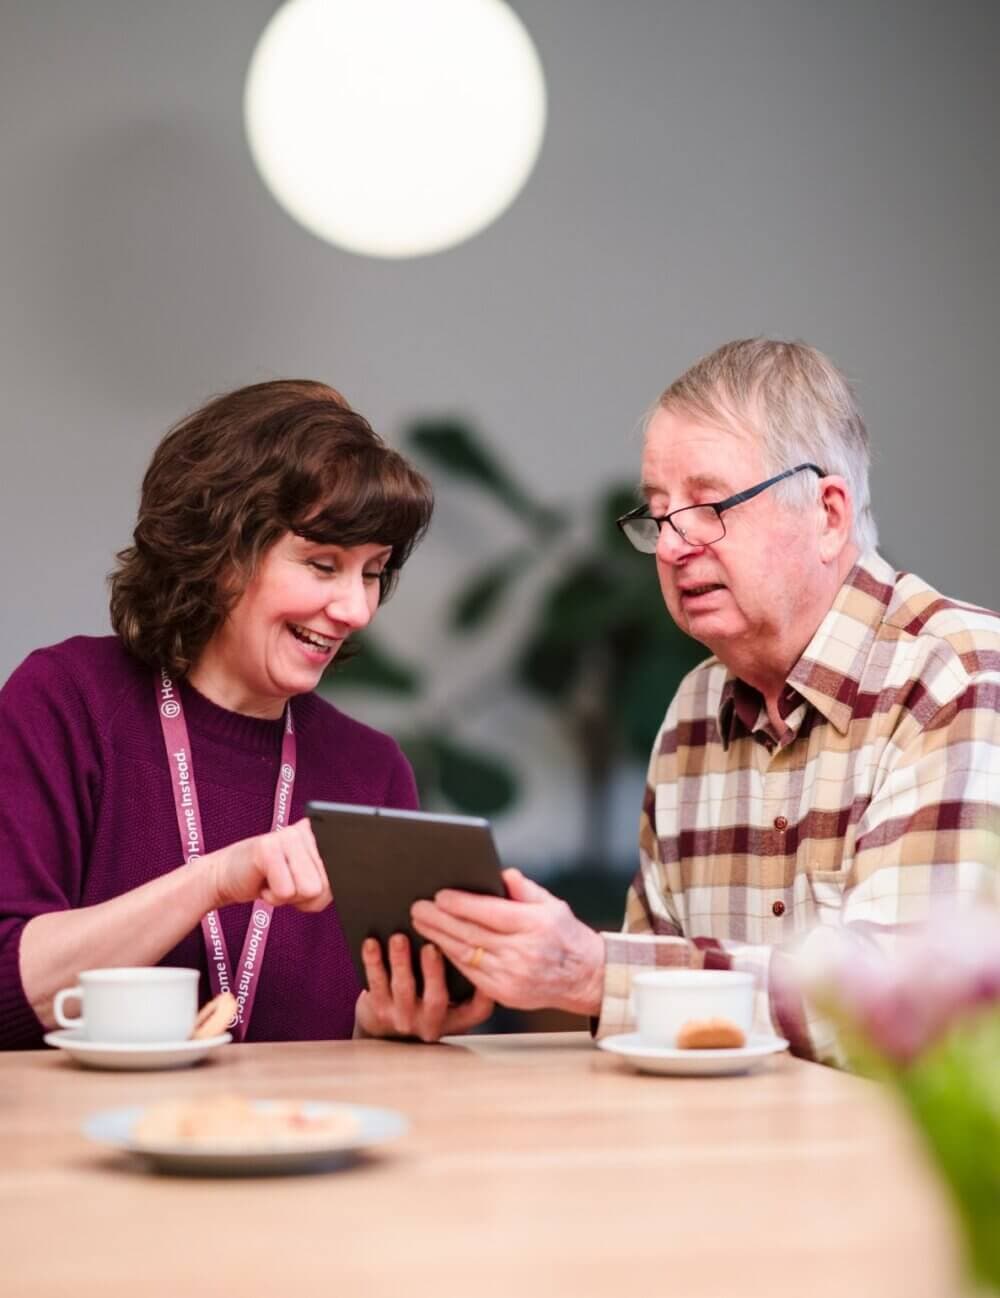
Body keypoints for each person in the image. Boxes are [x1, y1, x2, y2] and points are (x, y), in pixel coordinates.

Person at [409, 339, 1000, 1064]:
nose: (671, 546)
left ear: (830, 514)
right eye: (659, 514)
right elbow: (649, 1029)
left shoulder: (956, 676)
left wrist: (596, 973)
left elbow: (894, 1009)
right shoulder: (693, 711)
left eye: (710, 505)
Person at [0, 379, 494, 1049]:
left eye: (373, 572)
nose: (356, 610)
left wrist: (378, 1026)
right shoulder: (65, 701)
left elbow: (344, 1036)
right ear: (222, 554)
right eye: (323, 565)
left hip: (294, 1143)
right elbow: (9, 986)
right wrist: (214, 880)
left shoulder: (371, 768)